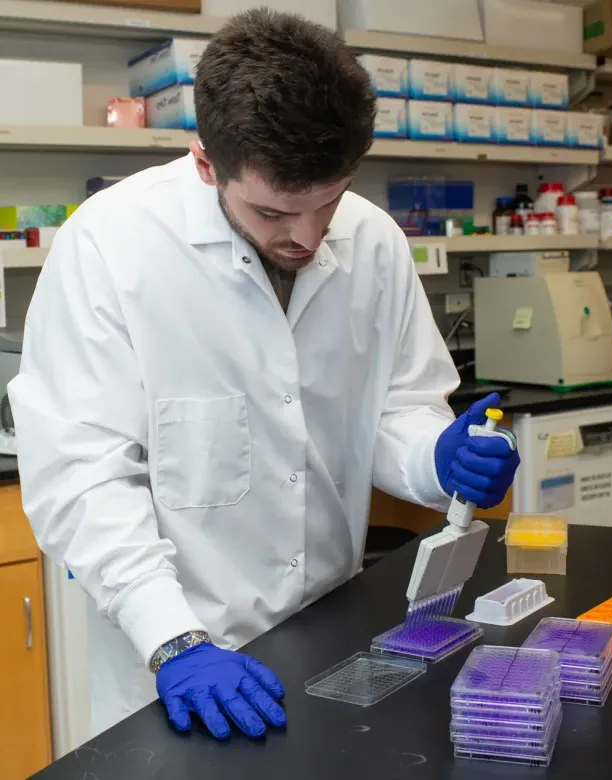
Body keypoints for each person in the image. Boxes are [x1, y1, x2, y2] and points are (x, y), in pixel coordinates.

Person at [9, 9, 519, 743]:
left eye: (330, 200)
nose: (309, 237)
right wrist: (172, 639)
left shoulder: (372, 240)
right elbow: (83, 478)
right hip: (176, 663)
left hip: (335, 639)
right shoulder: (110, 247)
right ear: (207, 162)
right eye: (277, 210)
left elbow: (392, 405)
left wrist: (431, 457)